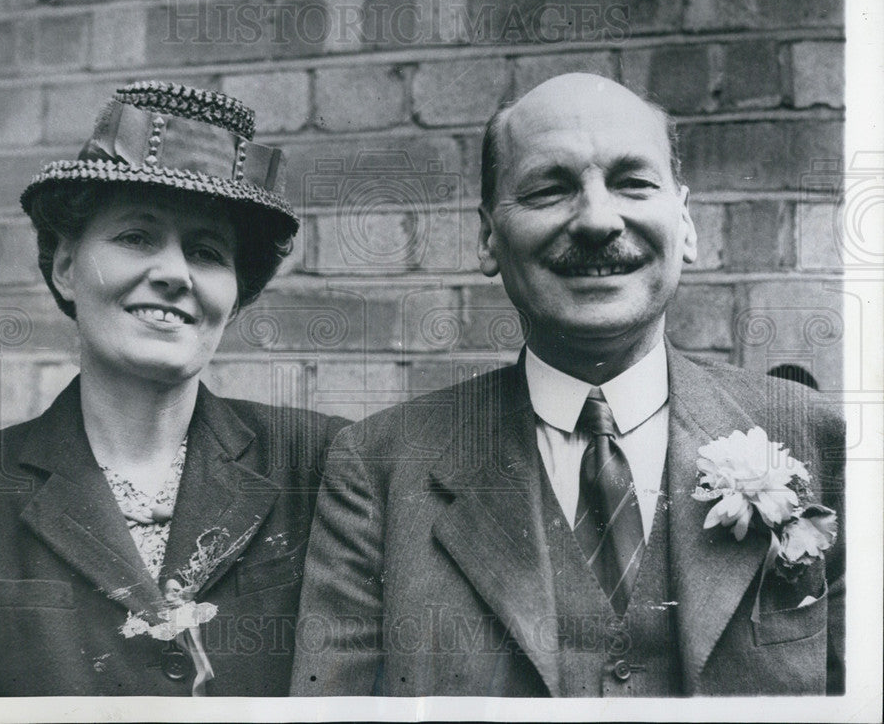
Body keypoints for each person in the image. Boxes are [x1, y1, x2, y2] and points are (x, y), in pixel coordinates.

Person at [290, 73, 845, 697]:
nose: (597, 221)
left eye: (633, 182)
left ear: (685, 223)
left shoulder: (817, 439)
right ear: (487, 236)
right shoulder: (378, 470)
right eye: (549, 190)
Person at [0, 81, 349, 696]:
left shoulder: (323, 465)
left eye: (206, 251)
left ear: (234, 293)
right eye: (136, 237)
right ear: (67, 268)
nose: (175, 274)